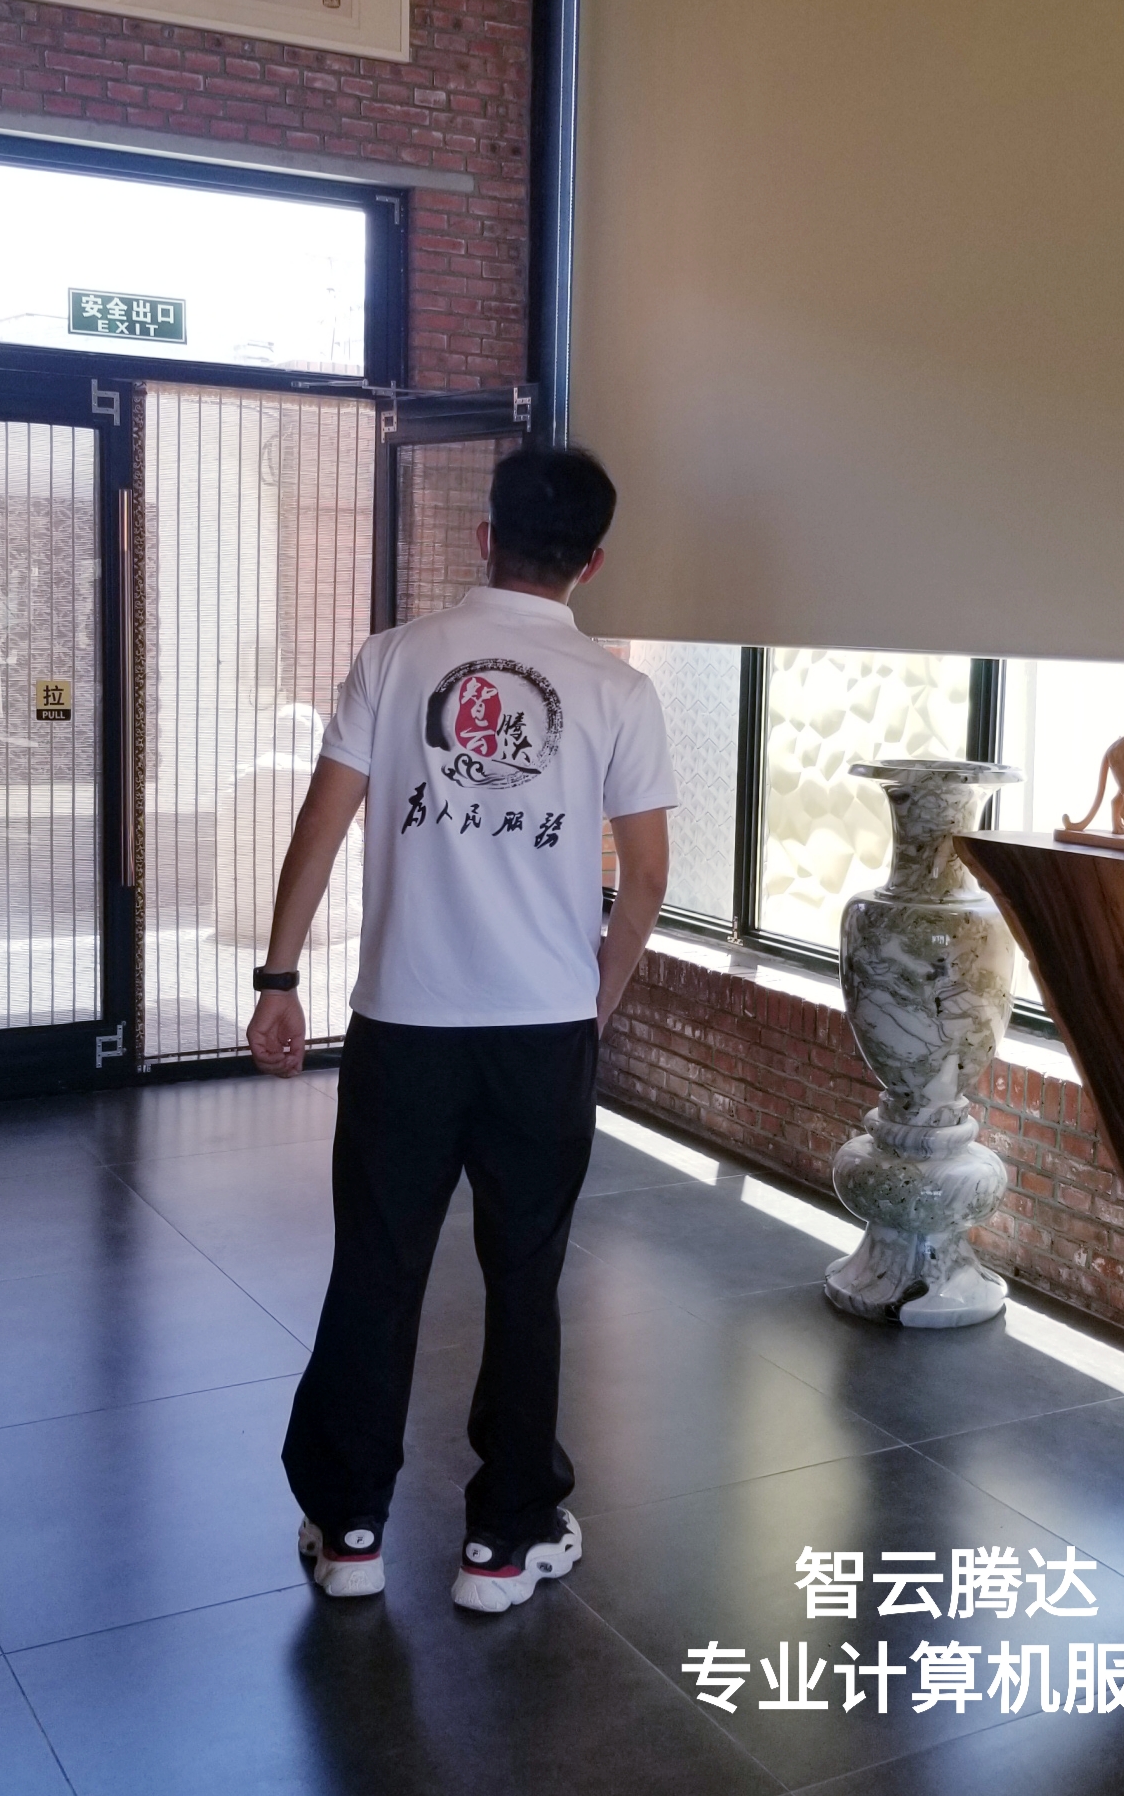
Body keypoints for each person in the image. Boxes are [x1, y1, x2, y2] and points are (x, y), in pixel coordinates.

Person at [246, 445, 676, 1614]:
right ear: (593, 563)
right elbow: (646, 879)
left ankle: (350, 1533)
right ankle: (505, 1541)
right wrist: (598, 998)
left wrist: (279, 976)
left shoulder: (393, 660)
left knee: (377, 1271)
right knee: (526, 1279)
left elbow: (322, 824)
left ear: (485, 538)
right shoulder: (618, 693)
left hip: (406, 1029)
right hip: (542, 1033)